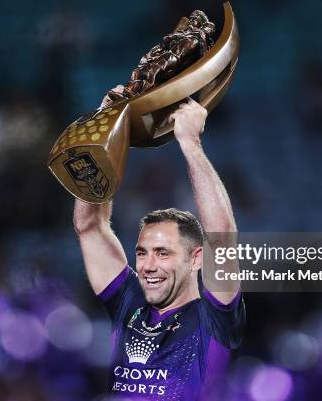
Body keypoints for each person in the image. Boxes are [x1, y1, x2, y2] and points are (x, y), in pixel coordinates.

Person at [73, 86, 245, 400]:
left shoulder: (213, 318)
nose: (148, 265)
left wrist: (190, 144)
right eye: (142, 253)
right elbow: (89, 225)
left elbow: (221, 239)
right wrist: (104, 131)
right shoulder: (130, 301)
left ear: (195, 259)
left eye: (163, 253)